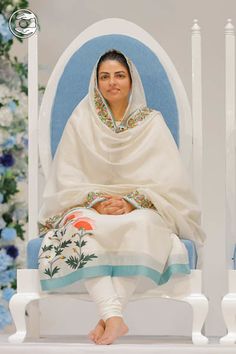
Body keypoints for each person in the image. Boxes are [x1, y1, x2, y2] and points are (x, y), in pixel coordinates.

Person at [38, 49, 205, 345]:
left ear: (131, 81)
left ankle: (110, 316)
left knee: (145, 225)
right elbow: (67, 176)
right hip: (88, 206)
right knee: (79, 226)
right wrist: (95, 202)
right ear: (96, 82)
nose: (111, 82)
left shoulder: (152, 123)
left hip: (141, 207)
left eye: (119, 75)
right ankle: (115, 317)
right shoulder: (80, 120)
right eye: (104, 76)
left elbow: (170, 182)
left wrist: (131, 201)